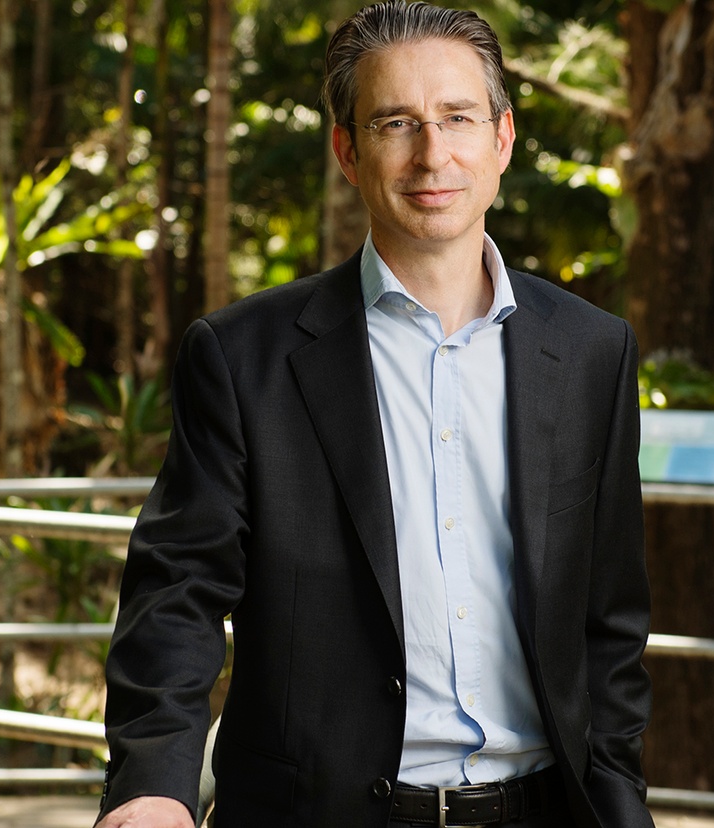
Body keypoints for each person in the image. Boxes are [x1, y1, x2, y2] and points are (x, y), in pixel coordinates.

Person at [96, 2, 654, 827]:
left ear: (502, 140)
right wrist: (152, 784)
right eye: (396, 123)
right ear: (348, 151)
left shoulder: (592, 352)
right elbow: (177, 589)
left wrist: (619, 805)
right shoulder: (243, 355)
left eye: (458, 117)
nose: (433, 154)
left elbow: (611, 625)